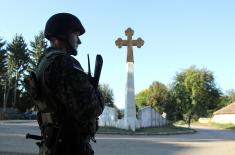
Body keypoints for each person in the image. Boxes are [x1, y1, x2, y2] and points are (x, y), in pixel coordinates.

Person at [34, 13, 104, 155]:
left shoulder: (44, 63)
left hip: (51, 146)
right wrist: (97, 94)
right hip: (69, 147)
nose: (79, 41)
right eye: (76, 34)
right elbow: (89, 109)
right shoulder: (64, 62)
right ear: (63, 34)